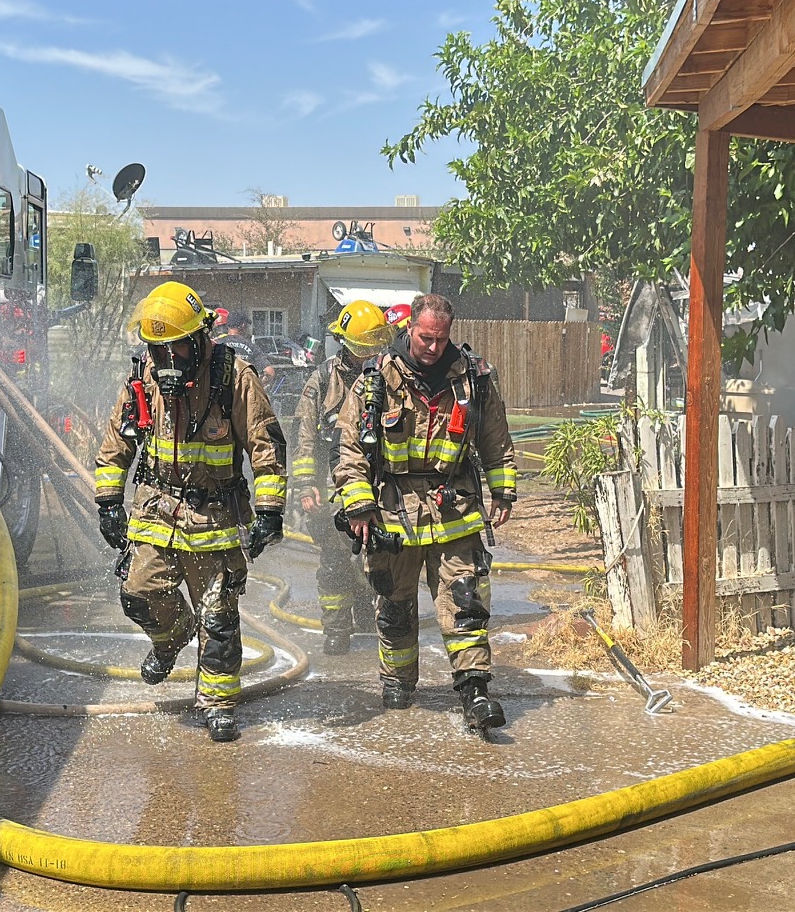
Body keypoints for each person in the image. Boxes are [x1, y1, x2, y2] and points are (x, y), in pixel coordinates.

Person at [94, 281, 288, 742]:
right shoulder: (141, 377)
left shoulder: (234, 377)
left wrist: (269, 511)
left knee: (219, 617)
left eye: (175, 347)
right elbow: (116, 443)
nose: (167, 360)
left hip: (217, 518)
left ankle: (218, 704)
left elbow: (266, 447)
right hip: (157, 511)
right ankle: (172, 637)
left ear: (199, 337)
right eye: (157, 349)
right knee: (137, 594)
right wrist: (108, 502)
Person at [332, 293, 517, 730]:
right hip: (392, 511)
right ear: (409, 328)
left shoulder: (473, 379)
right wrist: (359, 505)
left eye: (441, 338)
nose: (433, 347)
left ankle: (474, 691)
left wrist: (502, 492)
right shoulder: (376, 380)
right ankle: (397, 681)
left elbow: (495, 439)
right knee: (394, 606)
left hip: (455, 507)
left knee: (466, 602)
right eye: (425, 337)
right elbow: (349, 449)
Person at [291, 300, 394, 655]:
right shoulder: (321, 381)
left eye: (375, 346)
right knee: (335, 562)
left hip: (376, 484)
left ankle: (367, 616)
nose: (370, 354)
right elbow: (304, 436)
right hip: (330, 487)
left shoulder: (387, 377)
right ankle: (336, 630)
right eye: (364, 347)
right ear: (346, 345)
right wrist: (306, 486)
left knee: (376, 557)